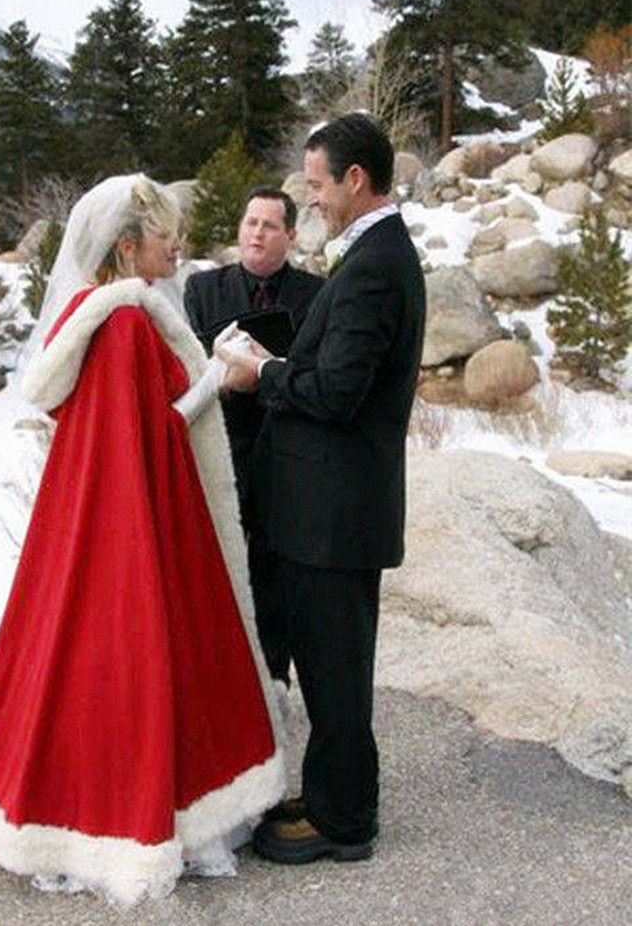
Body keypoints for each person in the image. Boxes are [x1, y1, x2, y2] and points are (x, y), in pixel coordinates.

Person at [0, 174, 285, 906]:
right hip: (140, 517)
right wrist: (217, 378)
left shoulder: (87, 315)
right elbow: (151, 433)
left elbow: (114, 429)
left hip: (89, 515)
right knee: (148, 659)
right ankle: (146, 819)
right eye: (166, 240)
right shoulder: (125, 322)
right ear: (128, 248)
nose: (178, 248)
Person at [218, 114, 426, 864]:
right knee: (330, 661)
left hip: (335, 515)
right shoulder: (374, 255)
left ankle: (343, 821)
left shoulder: (373, 266)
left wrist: (261, 373)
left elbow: (338, 392)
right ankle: (335, 792)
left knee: (336, 668)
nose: (312, 200)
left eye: (316, 186)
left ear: (354, 181)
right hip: (329, 509)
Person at [184, 188, 322, 684]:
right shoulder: (203, 289)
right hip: (222, 448)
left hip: (286, 452)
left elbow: (314, 375)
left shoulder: (315, 295)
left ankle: (275, 682)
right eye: (249, 223)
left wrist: (266, 372)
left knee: (274, 576)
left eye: (268, 225)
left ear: (290, 234)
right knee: (214, 570)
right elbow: (191, 364)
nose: (256, 233)